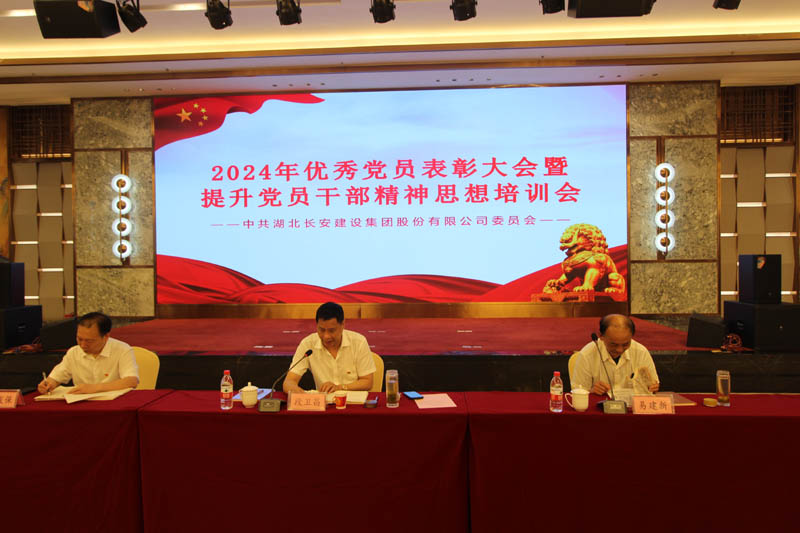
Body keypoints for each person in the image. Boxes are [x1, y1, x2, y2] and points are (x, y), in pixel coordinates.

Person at [283, 302, 375, 394]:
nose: (326, 336)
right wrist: (297, 393)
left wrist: (340, 387)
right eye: (321, 330)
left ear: (343, 324)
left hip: (353, 400)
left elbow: (367, 382)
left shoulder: (358, 342)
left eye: (332, 330)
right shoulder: (308, 345)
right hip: (323, 400)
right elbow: (289, 381)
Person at [37, 312, 139, 394]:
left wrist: (95, 388)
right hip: (82, 404)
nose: (83, 345)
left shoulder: (122, 350)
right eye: (79, 339)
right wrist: (49, 384)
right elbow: (56, 377)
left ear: (106, 336)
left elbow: (131, 381)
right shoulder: (74, 352)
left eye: (89, 341)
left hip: (114, 404)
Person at [570, 314, 659, 397]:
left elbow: (653, 385)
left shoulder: (641, 352)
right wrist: (591, 391)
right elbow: (577, 392)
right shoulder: (587, 354)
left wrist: (652, 387)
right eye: (613, 344)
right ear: (601, 336)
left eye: (625, 344)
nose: (619, 350)